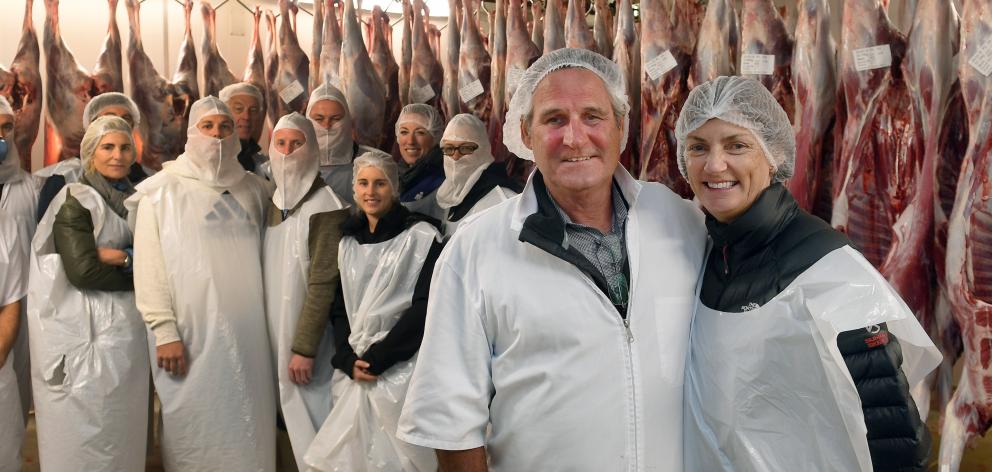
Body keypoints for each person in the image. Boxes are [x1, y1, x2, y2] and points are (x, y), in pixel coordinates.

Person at [397, 48, 707, 470]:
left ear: (621, 126)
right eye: (554, 119)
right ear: (525, 133)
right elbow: (450, 424)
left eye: (593, 117)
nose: (575, 138)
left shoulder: (680, 220)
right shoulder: (476, 249)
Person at [675, 76, 941, 471]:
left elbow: (894, 433)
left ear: (772, 155)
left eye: (737, 145)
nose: (714, 165)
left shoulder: (831, 271)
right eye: (698, 147)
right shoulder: (706, 255)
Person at [127, 96, 276, 471]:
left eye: (225, 127)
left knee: (250, 429)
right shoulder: (160, 191)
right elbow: (149, 267)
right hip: (188, 338)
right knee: (194, 426)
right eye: (207, 127)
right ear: (191, 133)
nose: (217, 135)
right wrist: (164, 330)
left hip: (251, 340)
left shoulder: (255, 190)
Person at [304, 150, 442, 472]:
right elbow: (339, 310)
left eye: (380, 183)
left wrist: (381, 358)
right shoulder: (347, 242)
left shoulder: (422, 238)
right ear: (354, 189)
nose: (370, 191)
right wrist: (348, 359)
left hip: (402, 370)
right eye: (363, 183)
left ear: (393, 188)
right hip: (357, 369)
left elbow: (424, 308)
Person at [28, 116, 150, 471]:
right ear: (90, 153)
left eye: (125, 147)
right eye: (108, 147)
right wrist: (138, 266)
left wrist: (122, 259)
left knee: (121, 428)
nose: (117, 155)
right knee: (83, 432)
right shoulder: (74, 200)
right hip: (84, 334)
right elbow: (83, 270)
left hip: (125, 334)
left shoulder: (138, 198)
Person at [263, 112, 348, 467]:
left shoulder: (327, 206)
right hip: (275, 335)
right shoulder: (273, 201)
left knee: (316, 428)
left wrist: (304, 347)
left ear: (311, 149)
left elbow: (323, 282)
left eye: (296, 144)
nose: (286, 152)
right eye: (280, 144)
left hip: (309, 345)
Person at [36, 92, 148, 221]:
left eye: (126, 118)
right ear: (91, 125)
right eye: (109, 118)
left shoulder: (145, 178)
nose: (119, 123)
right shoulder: (63, 178)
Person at [0, 96, 33, 470]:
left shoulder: (34, 188)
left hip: (24, 310)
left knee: (15, 396)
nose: (2, 137)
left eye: (6, 127)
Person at [436, 113, 522, 237]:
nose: (455, 156)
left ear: (483, 149)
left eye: (465, 148)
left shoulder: (503, 200)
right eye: (449, 148)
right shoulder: (453, 194)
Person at [306, 83, 378, 206]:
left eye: (335, 118)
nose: (327, 125)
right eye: (319, 119)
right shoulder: (292, 163)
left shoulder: (374, 162)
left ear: (347, 121)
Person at [395, 104, 445, 220]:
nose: (410, 141)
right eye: (404, 132)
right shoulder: (395, 176)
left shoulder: (443, 180)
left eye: (420, 132)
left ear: (435, 137)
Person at [219, 82, 268, 174]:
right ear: (223, 113)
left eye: (253, 110)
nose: (246, 117)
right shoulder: (210, 159)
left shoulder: (263, 164)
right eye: (238, 109)